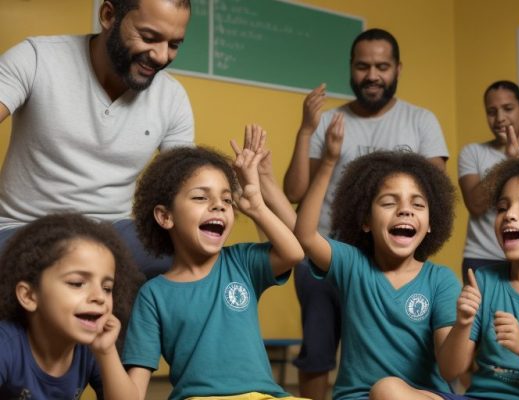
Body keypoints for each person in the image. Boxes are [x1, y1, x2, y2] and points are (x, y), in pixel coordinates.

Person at [281, 28, 450, 399]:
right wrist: (307, 132)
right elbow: (294, 192)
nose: (372, 75)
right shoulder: (329, 121)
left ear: (398, 69)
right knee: (317, 353)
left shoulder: (421, 121)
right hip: (329, 252)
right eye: (362, 66)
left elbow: (435, 195)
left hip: (390, 258)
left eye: (382, 66)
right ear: (351, 68)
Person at [370, 154, 519, 400]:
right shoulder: (484, 281)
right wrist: (463, 323)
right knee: (386, 389)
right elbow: (450, 370)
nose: (509, 215)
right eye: (502, 208)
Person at [0, 0, 195, 277]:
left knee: (189, 258)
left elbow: (185, 187)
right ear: (108, 15)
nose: (162, 56)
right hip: (22, 227)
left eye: (174, 45)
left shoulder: (172, 99)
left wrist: (231, 190)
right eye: (149, 37)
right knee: (68, 270)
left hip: (114, 232)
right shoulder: (36, 58)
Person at [122, 128, 305, 400]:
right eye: (200, 197)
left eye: (227, 200)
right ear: (165, 216)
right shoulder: (153, 295)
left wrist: (257, 207)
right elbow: (134, 391)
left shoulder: (241, 262)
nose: (219, 206)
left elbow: (293, 253)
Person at [293, 119, 459, 400]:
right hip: (358, 396)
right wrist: (328, 163)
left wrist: (464, 324)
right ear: (366, 220)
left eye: (418, 204)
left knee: (390, 391)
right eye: (389, 202)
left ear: (431, 223)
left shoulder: (441, 280)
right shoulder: (352, 265)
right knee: (386, 390)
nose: (405, 210)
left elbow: (450, 368)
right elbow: (306, 236)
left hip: (424, 395)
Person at [0, 214, 144, 399]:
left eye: (107, 288)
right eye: (77, 283)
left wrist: (106, 352)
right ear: (29, 296)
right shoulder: (6, 344)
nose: (99, 297)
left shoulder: (90, 348)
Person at [458, 81, 519, 275]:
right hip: (481, 257)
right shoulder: (472, 152)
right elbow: (475, 204)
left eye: (508, 109)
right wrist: (509, 160)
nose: (499, 118)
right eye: (491, 112)